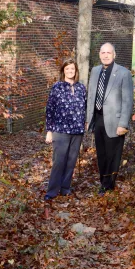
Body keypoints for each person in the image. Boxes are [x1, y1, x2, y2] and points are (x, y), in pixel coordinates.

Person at [86, 43, 134, 194]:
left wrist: (123, 124)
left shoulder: (123, 73)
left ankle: (108, 185)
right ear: (99, 54)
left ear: (114, 55)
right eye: (103, 52)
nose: (106, 55)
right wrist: (89, 118)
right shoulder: (94, 71)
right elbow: (91, 95)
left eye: (109, 53)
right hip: (98, 119)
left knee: (113, 154)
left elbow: (127, 101)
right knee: (101, 154)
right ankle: (104, 181)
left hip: (115, 121)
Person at [44, 58, 86, 201]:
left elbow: (85, 107)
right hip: (60, 130)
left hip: (77, 130)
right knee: (59, 161)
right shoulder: (57, 87)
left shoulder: (81, 88)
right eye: (67, 69)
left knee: (71, 161)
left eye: (72, 69)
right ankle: (52, 191)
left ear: (76, 71)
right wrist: (49, 131)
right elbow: (50, 109)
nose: (70, 71)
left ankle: (65, 188)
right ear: (63, 71)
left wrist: (85, 123)